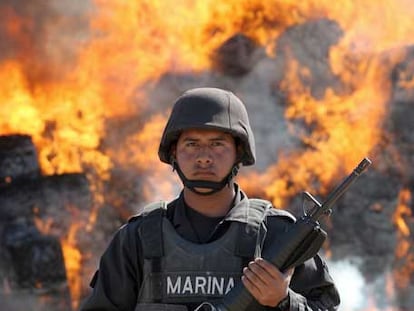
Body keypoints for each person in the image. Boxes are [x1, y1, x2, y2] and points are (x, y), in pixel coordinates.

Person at [80, 87, 340, 311]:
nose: (204, 157)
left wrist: (284, 300)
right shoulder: (137, 238)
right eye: (191, 144)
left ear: (238, 152)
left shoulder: (276, 235)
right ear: (174, 153)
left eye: (217, 144)